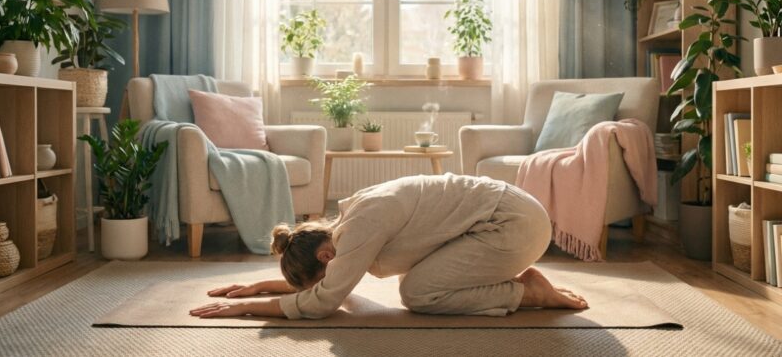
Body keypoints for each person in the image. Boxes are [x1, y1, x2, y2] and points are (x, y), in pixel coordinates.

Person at [190, 173, 587, 320]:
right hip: (511, 214)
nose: (333, 280)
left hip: (512, 226)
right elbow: (332, 285)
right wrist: (261, 286)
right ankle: (522, 287)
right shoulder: (350, 222)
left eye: (321, 277)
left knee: (418, 292)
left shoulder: (359, 230)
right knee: (418, 283)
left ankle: (526, 292)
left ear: (326, 257)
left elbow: (325, 300)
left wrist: (247, 308)